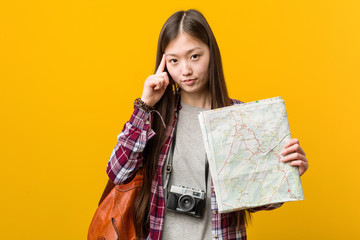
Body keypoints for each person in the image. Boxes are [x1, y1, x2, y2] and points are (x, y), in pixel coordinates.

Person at [106, 9, 309, 240]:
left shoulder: (239, 117)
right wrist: (144, 106)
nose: (185, 70)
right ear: (164, 64)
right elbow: (118, 172)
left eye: (194, 56)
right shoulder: (156, 115)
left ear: (211, 53)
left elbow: (256, 202)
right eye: (174, 60)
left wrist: (285, 175)